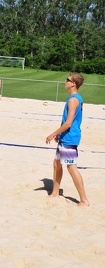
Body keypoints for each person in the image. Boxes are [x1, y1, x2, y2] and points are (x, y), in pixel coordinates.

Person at [45, 73, 90, 207]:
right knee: (56, 163)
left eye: (67, 80)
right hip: (65, 136)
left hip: (70, 138)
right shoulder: (74, 98)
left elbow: (69, 123)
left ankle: (84, 200)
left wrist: (53, 134)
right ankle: (55, 193)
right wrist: (60, 134)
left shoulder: (73, 100)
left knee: (71, 167)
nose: (65, 81)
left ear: (73, 84)